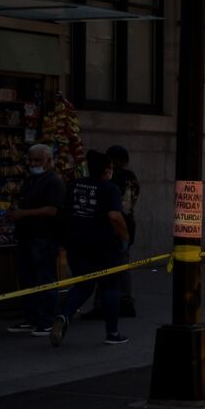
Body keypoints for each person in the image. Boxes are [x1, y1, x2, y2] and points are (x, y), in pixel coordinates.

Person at [49, 149, 129, 347]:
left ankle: (64, 316)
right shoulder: (110, 189)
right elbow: (114, 216)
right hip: (104, 246)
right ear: (106, 170)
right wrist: (125, 236)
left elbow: (64, 211)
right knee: (110, 287)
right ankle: (112, 333)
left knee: (84, 284)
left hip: (76, 244)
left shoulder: (74, 185)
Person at [8, 143, 64, 334]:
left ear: (48, 161)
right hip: (27, 237)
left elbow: (52, 209)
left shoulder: (53, 181)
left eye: (38, 160)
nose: (33, 164)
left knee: (45, 279)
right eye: (31, 160)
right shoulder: (31, 180)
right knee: (28, 280)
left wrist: (23, 213)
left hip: (43, 238)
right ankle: (32, 318)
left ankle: (48, 319)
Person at [83, 145, 139, 320]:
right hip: (127, 223)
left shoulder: (113, 180)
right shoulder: (132, 178)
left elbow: (113, 210)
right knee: (122, 265)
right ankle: (126, 301)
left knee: (105, 267)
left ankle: (102, 305)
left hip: (113, 225)